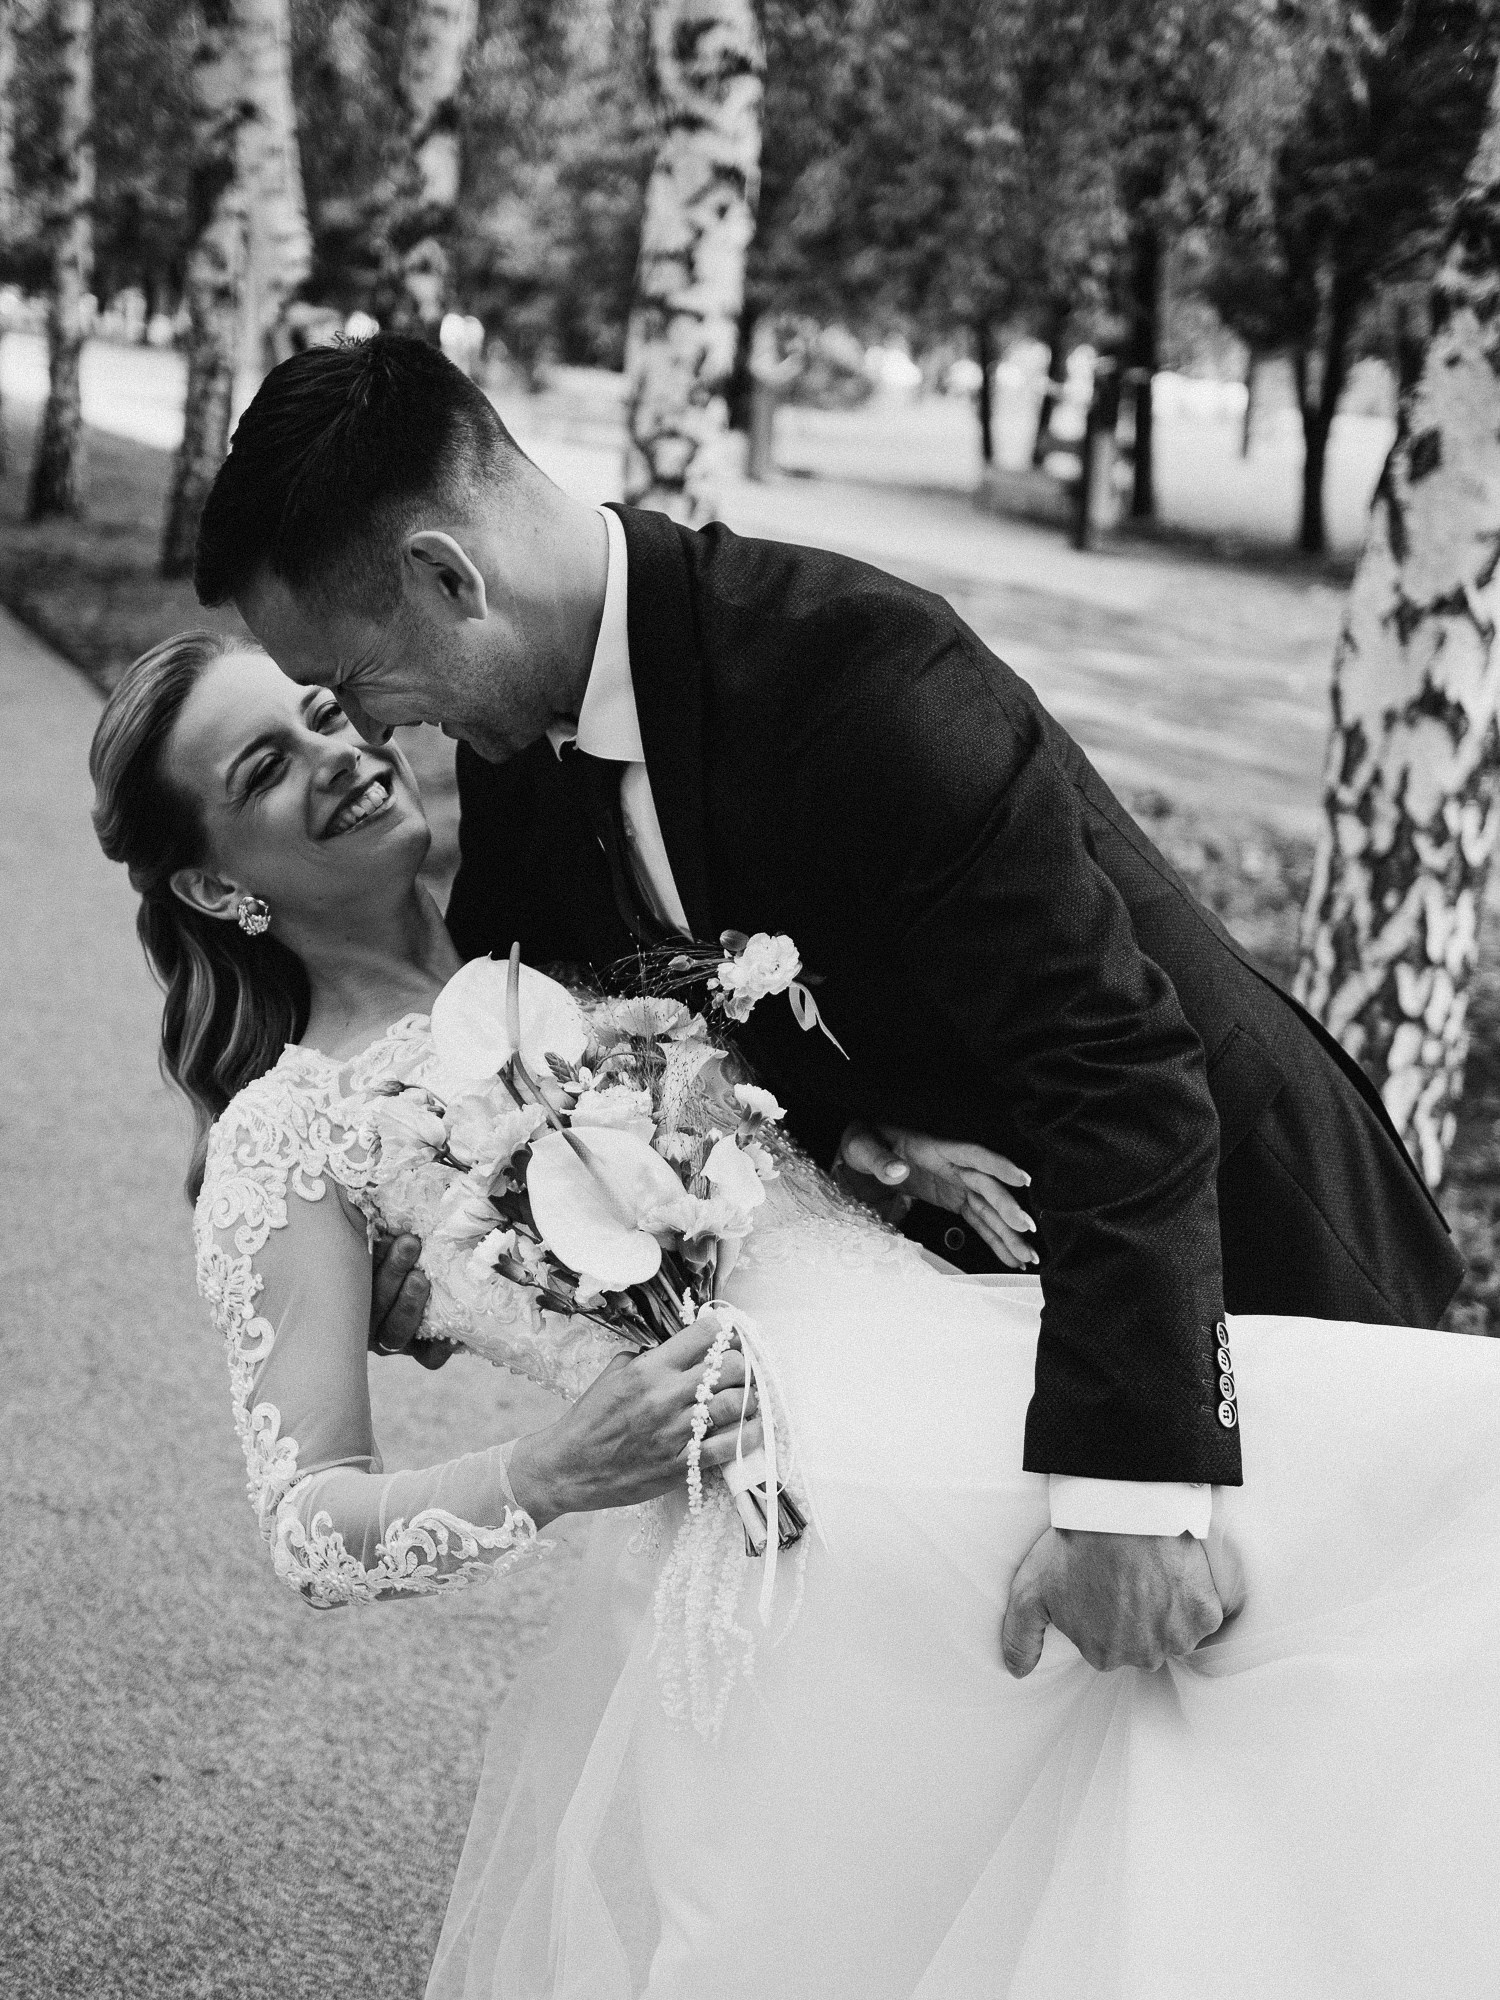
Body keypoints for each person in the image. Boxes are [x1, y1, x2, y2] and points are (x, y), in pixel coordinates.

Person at [91, 633, 1500, 1999]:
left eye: (325, 712)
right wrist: (553, 1470)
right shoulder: (294, 1132)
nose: (337, 754)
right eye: (266, 767)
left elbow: (763, 1108)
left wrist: (869, 1136)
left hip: (962, 1347)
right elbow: (309, 1526)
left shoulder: (554, 925)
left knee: (1377, 1521)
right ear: (214, 886)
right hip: (791, 1517)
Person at [192, 332, 1464, 1676]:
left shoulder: (862, 675)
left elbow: (1112, 1056)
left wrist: (1130, 1501)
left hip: (1232, 1268)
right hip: (957, 1334)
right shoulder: (518, 765)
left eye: (351, 686)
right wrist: (434, 1265)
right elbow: (569, 1059)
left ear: (448, 577)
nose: (371, 734)